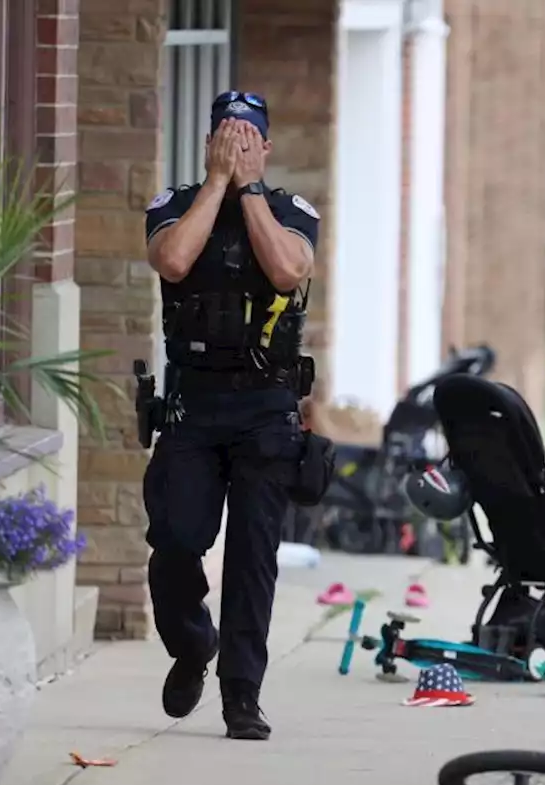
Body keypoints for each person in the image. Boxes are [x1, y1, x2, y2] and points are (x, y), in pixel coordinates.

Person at [141, 91, 332, 741]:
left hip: (265, 408)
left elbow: (286, 272)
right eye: (226, 136)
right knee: (174, 541)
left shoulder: (290, 213)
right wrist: (218, 183)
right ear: (208, 145)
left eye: (248, 137)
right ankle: (194, 644)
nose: (237, 144)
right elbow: (172, 261)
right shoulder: (174, 205)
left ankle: (241, 695)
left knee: (253, 559)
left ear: (267, 148)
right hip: (194, 405)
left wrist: (248, 190)